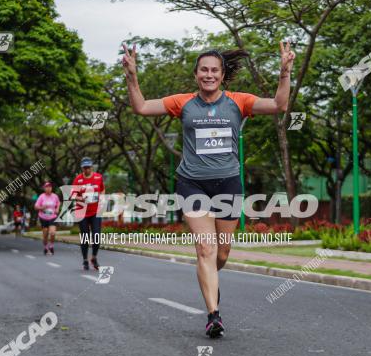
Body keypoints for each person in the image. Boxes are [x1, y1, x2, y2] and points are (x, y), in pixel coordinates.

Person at [121, 42, 294, 338]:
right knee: (205, 248)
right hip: (192, 183)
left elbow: (279, 105)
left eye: (214, 70)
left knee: (222, 252)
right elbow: (141, 107)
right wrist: (132, 76)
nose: (209, 74)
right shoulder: (183, 103)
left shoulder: (239, 102)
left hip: (228, 184)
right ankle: (213, 314)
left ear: (222, 74)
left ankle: (212, 279)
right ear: (196, 74)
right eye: (204, 70)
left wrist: (285, 72)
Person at [70, 157, 105, 271]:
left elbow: (102, 189)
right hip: (82, 212)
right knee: (85, 237)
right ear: (82, 168)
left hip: (95, 211)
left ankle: (94, 258)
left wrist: (102, 198)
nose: (87, 169)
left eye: (88, 167)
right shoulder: (78, 179)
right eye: (85, 167)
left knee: (96, 236)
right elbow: (73, 195)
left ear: (91, 167)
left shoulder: (98, 177)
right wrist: (82, 198)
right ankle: (85, 260)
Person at [34, 182, 61, 255]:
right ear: (44, 188)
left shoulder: (55, 196)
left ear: (51, 188)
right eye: (47, 187)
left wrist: (57, 209)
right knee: (45, 235)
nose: (48, 188)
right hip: (43, 218)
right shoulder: (41, 197)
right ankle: (46, 247)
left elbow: (58, 203)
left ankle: (51, 246)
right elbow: (36, 207)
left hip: (52, 217)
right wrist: (42, 207)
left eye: (50, 187)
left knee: (52, 232)